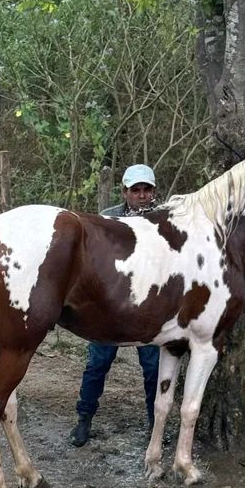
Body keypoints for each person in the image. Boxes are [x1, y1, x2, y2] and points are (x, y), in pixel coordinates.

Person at [70, 163, 162, 447]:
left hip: (149, 307)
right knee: (97, 363)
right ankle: (83, 420)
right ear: (125, 192)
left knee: (154, 367)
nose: (142, 195)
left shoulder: (164, 218)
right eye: (136, 190)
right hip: (110, 306)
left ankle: (154, 425)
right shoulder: (108, 219)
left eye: (147, 189)